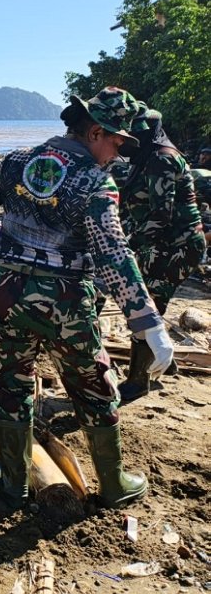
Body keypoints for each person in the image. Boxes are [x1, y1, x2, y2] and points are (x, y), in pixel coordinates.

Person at [0, 87, 174, 510]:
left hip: (3, 293)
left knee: (10, 384)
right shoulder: (94, 181)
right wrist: (147, 321)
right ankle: (113, 484)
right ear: (95, 132)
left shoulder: (16, 161)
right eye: (117, 142)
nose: (118, 153)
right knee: (92, 386)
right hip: (65, 302)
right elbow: (112, 252)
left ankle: (13, 484)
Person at [113, 105, 204, 403]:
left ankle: (138, 381)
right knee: (151, 302)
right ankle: (165, 362)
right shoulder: (149, 157)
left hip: (177, 246)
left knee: (146, 307)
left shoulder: (162, 160)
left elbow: (160, 216)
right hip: (163, 244)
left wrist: (125, 246)